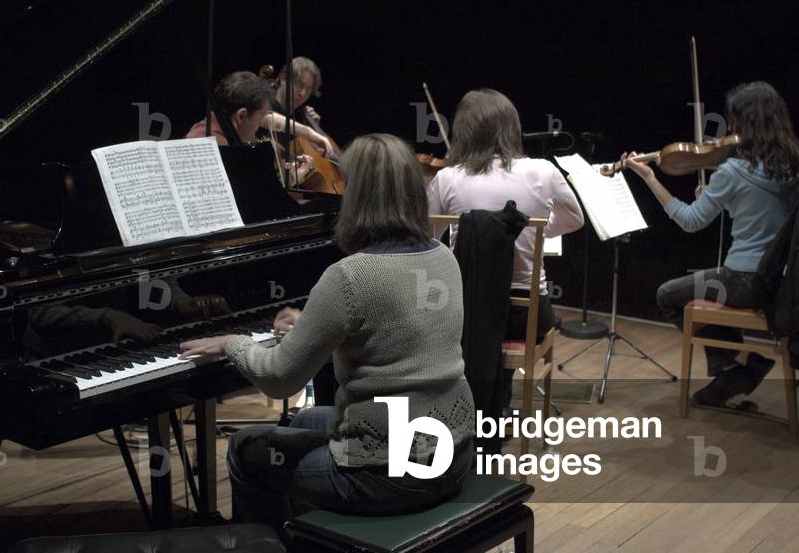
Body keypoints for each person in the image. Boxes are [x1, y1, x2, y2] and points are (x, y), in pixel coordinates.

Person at [179, 133, 475, 536]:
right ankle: (312, 540)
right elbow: (397, 328)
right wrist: (312, 326)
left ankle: (268, 547)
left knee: (245, 449)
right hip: (451, 453)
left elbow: (279, 379)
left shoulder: (350, 275)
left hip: (391, 474)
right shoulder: (443, 257)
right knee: (307, 418)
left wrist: (232, 343)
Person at [621, 81, 799, 405]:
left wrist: (650, 179)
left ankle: (734, 366)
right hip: (785, 280)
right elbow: (766, 213)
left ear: (744, 123)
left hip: (744, 281)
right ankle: (734, 369)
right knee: (704, 287)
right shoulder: (794, 165)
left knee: (667, 295)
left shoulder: (733, 169)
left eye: (734, 119)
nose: (730, 128)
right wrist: (723, 198)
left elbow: (691, 221)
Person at [426, 89, 584, 348]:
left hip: (466, 312)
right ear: (512, 128)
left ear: (463, 131)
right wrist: (531, 231)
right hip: (528, 316)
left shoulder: (447, 178)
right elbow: (574, 220)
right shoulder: (544, 171)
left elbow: (426, 238)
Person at [185, 70, 316, 186]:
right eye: (260, 117)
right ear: (241, 116)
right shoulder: (225, 153)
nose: (260, 125)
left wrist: (308, 132)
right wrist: (296, 175)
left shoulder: (209, 126)